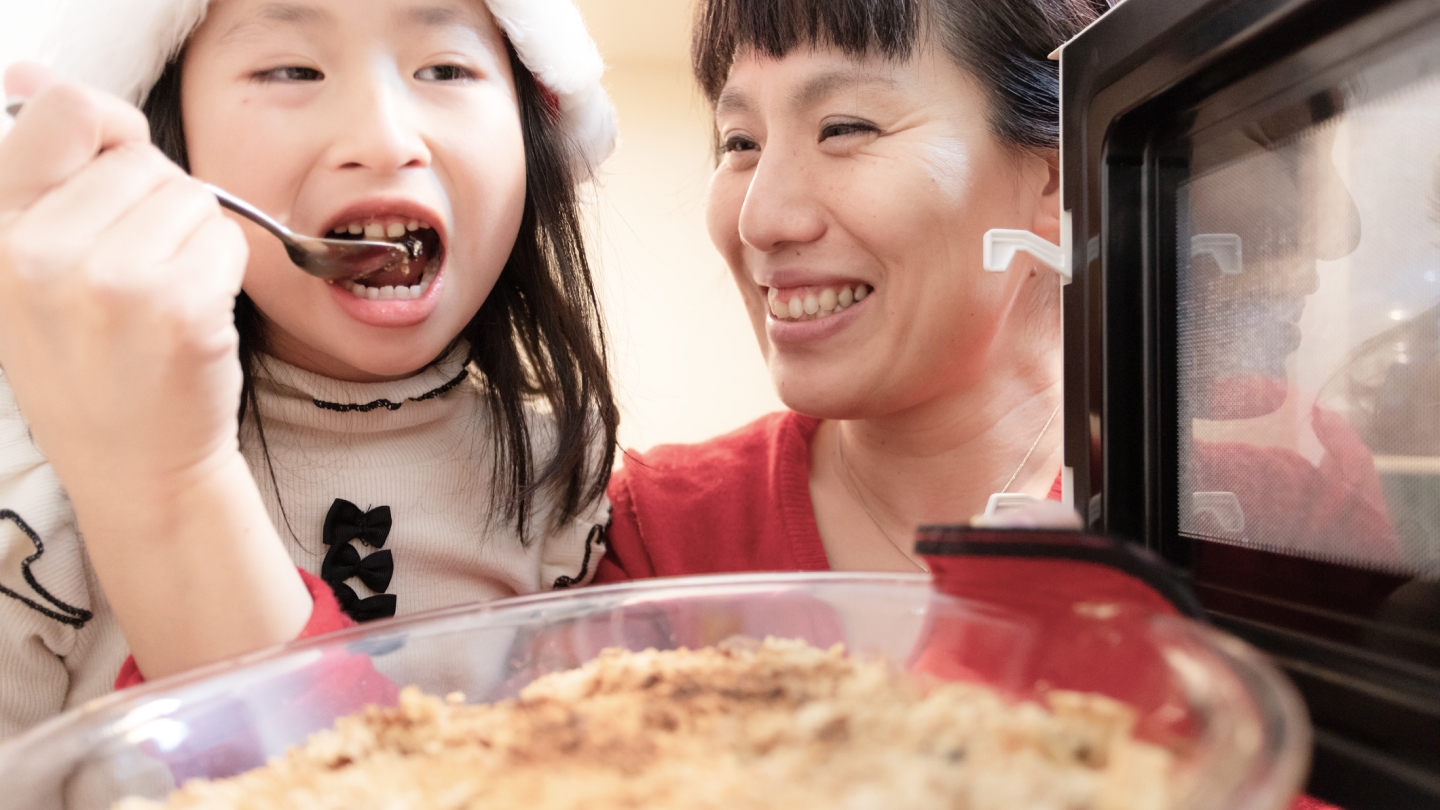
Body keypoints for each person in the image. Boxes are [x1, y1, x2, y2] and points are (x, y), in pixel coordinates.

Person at [0, 0, 619, 738]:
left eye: (447, 68)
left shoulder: (563, 491)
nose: (385, 140)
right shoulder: (44, 513)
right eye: (291, 69)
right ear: (171, 147)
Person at [597, 0, 1092, 583]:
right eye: (739, 144)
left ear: (1056, 179)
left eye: (844, 128)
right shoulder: (649, 538)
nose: (760, 220)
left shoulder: (1202, 517)